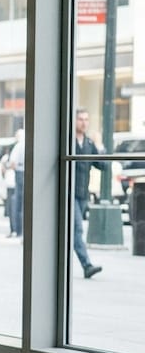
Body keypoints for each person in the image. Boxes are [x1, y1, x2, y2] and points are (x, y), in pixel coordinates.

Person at [73, 109, 105, 279]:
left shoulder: (89, 144)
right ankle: (87, 265)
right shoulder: (68, 141)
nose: (84, 123)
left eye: (86, 119)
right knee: (76, 229)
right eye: (80, 119)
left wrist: (100, 146)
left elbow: (103, 166)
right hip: (69, 194)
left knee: (73, 231)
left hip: (82, 194)